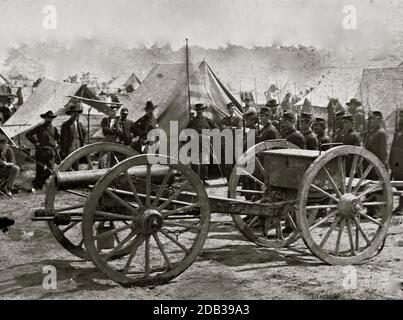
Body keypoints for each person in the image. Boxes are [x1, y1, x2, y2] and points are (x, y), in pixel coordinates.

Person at [25, 110, 60, 190]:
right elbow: (28, 134)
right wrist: (36, 142)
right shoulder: (40, 127)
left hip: (51, 152)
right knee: (40, 169)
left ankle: (37, 182)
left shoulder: (54, 128)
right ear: (45, 118)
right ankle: (39, 185)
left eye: (51, 118)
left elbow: (58, 138)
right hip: (41, 151)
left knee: (50, 169)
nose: (49, 119)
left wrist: (58, 144)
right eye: (48, 118)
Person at [187, 103, 218, 185]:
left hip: (205, 142)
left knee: (204, 161)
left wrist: (210, 136)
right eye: (198, 110)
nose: (199, 111)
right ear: (196, 111)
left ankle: (204, 179)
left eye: (201, 110)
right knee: (194, 162)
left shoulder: (207, 119)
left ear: (203, 110)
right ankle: (195, 180)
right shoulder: (192, 120)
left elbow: (216, 129)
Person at [60, 101, 86, 170]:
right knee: (69, 162)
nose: (76, 114)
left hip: (78, 144)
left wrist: (83, 143)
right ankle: (68, 177)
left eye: (77, 113)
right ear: (70, 114)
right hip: (70, 145)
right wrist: (63, 150)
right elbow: (63, 138)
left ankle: (75, 176)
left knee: (76, 161)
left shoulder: (80, 124)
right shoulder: (66, 124)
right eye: (74, 112)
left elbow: (85, 134)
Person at [222, 102, 242, 182]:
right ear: (228, 110)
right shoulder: (225, 119)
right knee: (228, 163)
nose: (231, 110)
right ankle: (229, 180)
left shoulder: (239, 119)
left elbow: (239, 129)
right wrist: (232, 128)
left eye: (232, 109)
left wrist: (228, 128)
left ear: (235, 109)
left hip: (236, 143)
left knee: (237, 162)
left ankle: (238, 181)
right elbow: (223, 129)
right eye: (230, 109)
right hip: (228, 143)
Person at [389, 108, 403, 215]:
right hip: (397, 163)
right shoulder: (397, 131)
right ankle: (400, 205)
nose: (401, 119)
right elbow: (393, 147)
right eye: (400, 116)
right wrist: (390, 161)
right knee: (399, 185)